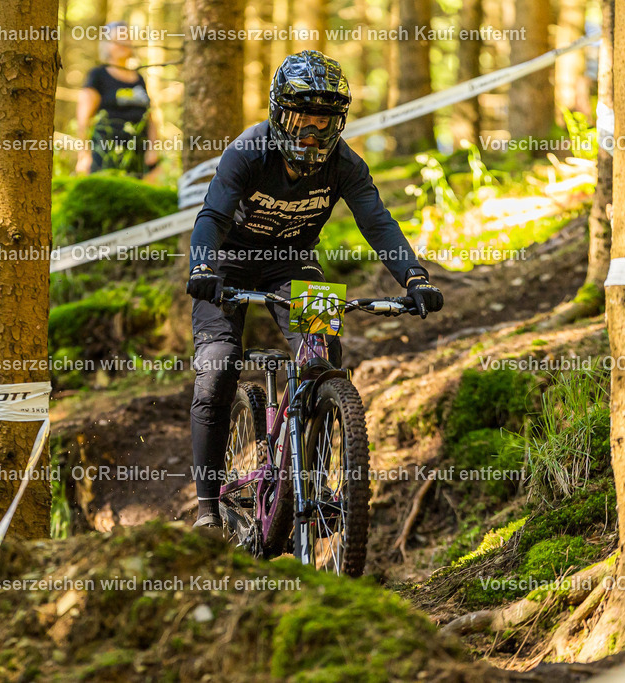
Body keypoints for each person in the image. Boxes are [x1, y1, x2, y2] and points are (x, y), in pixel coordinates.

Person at [185, 51, 444, 528]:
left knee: (325, 357)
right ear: (278, 114)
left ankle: (312, 476)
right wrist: (202, 266)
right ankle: (207, 508)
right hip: (227, 265)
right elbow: (212, 217)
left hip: (293, 262)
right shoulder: (248, 151)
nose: (312, 132)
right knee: (218, 366)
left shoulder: (345, 164)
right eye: (301, 118)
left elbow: (378, 224)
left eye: (324, 123)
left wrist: (415, 277)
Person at [75, 21, 159, 177]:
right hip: (105, 156)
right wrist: (84, 154)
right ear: (106, 44)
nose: (123, 43)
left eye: (126, 38)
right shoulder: (98, 75)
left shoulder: (139, 79)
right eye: (117, 39)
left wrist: (153, 149)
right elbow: (83, 118)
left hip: (137, 158)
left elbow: (150, 118)